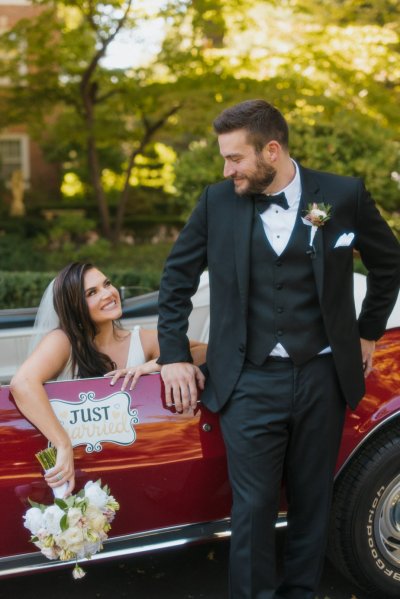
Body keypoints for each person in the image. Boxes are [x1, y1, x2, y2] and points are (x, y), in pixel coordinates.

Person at [156, 100, 400, 599]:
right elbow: (176, 279)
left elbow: (388, 263)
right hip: (246, 379)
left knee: (313, 501)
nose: (227, 170)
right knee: (252, 507)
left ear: (272, 150)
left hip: (322, 377)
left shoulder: (340, 195)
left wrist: (367, 331)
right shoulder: (215, 202)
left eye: (235, 158)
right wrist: (174, 353)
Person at [10, 262, 206, 497]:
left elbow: (207, 352)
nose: (108, 294)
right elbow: (22, 383)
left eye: (107, 284)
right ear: (76, 306)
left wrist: (159, 363)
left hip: (137, 464)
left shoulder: (143, 339)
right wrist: (62, 444)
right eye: (92, 293)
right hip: (80, 469)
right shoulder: (64, 341)